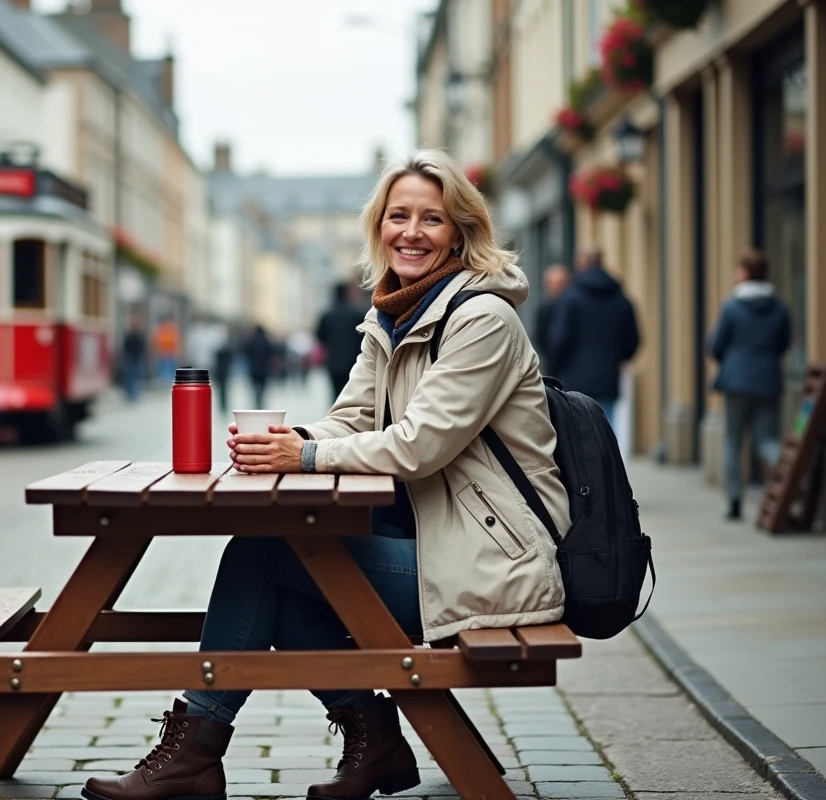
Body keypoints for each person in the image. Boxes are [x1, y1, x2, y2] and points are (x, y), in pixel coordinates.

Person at [81, 149, 569, 800]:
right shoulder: (392, 318)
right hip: (442, 547)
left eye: (432, 218)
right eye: (399, 216)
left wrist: (303, 459)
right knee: (286, 576)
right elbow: (351, 418)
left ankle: (199, 751)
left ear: (461, 232)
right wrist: (297, 439)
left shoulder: (482, 320)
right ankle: (372, 745)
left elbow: (419, 445)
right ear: (379, 226)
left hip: (493, 565)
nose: (412, 232)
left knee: (268, 559)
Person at [708, 248, 791, 521]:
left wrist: (732, 359)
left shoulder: (732, 306)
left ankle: (734, 502)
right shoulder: (779, 307)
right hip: (768, 380)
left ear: (745, 273)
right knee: (766, 440)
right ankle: (791, 472)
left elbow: (716, 345)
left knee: (732, 441)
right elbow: (784, 343)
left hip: (736, 381)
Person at [545, 247, 640, 427]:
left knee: (580, 434)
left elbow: (559, 339)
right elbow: (632, 340)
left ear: (580, 265)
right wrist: (616, 359)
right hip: (608, 377)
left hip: (576, 378)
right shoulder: (621, 298)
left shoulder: (570, 297)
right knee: (607, 429)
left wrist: (556, 370)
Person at [316, 282, 368, 402]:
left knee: (335, 393)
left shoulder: (326, 315)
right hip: (353, 361)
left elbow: (320, 337)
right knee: (351, 393)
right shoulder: (357, 314)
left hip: (333, 361)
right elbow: (363, 337)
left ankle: (335, 416)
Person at [534, 263, 570, 370]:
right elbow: (539, 336)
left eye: (559, 284)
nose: (555, 288)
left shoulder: (573, 307)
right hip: (551, 362)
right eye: (551, 284)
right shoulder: (543, 309)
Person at [242, 324, 274, 409]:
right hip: (264, 368)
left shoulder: (251, 341)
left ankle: (256, 402)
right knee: (263, 388)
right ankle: (261, 402)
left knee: (254, 387)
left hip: (254, 368)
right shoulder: (266, 341)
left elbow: (245, 352)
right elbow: (271, 353)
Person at [121, 319, 147, 403]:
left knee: (134, 377)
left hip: (135, 359)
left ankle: (133, 394)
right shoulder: (133, 337)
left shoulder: (135, 337)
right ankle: (131, 394)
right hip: (133, 359)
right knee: (132, 377)